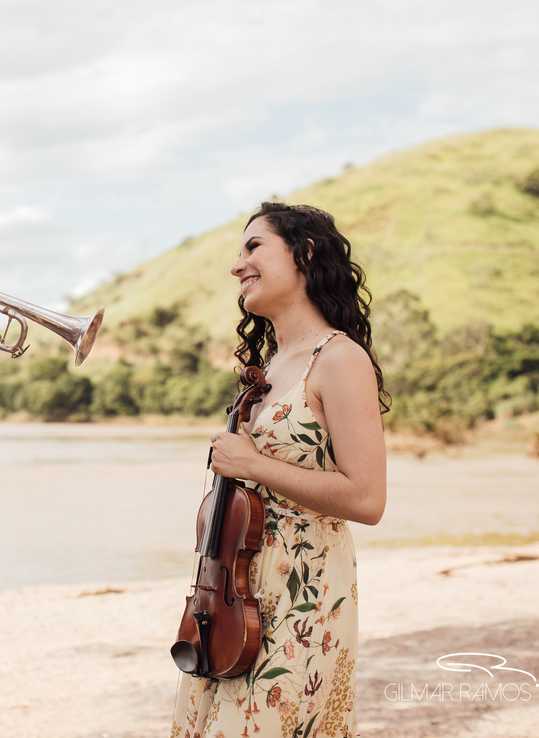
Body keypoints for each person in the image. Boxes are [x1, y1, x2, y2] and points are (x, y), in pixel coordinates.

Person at [170, 202, 388, 738]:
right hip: (235, 600)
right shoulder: (269, 366)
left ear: (304, 254)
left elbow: (367, 499)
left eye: (254, 247)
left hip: (303, 593)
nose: (237, 265)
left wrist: (254, 464)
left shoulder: (339, 359)